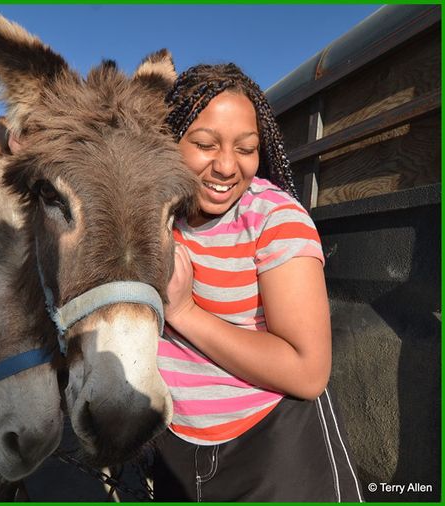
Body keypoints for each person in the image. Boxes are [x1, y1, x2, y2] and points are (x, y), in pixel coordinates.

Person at [152, 63, 363, 502]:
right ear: (170, 141)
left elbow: (307, 373)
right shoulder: (151, 218)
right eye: (205, 144)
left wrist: (183, 312)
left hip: (275, 451)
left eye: (246, 149)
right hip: (175, 450)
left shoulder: (275, 220)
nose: (227, 166)